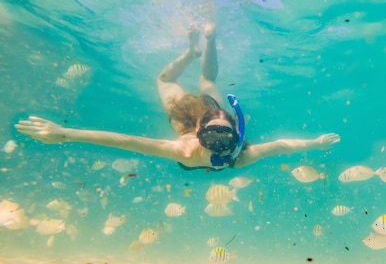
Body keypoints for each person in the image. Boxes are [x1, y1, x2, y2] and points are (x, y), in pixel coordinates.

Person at [15, 24, 340, 170]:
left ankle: (201, 44)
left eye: (220, 137)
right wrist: (66, 133)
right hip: (194, 114)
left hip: (206, 111)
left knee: (198, 79)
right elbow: (125, 141)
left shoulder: (235, 153)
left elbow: (125, 141)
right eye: (213, 135)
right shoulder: (191, 147)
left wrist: (67, 134)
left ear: (233, 132)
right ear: (199, 130)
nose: (215, 145)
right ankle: (195, 48)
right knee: (198, 79)